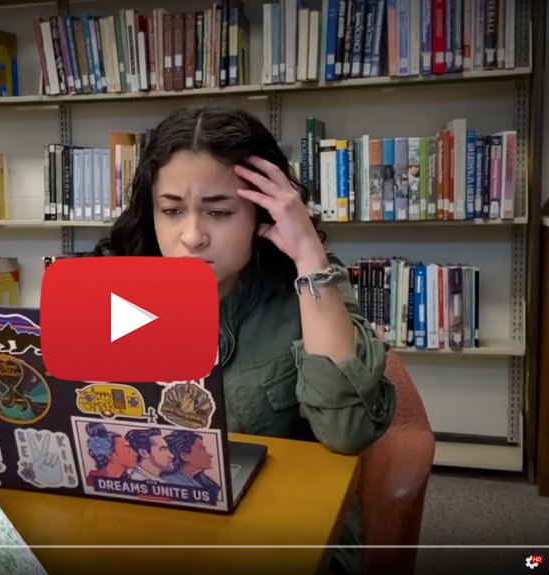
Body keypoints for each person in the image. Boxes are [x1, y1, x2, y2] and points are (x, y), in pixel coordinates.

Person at [93, 105, 397, 575]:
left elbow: (348, 431)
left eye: (218, 212)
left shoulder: (307, 291)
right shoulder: (115, 287)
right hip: (146, 519)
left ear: (261, 210)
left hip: (278, 527)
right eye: (171, 211)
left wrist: (309, 256)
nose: (191, 236)